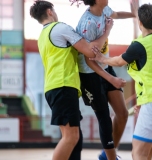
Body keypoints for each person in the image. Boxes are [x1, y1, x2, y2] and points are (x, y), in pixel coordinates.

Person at [90, 4, 152, 160]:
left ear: (140, 22)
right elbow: (146, 30)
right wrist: (139, 12)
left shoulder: (139, 46)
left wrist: (102, 58)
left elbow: (120, 61)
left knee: (139, 153)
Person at [29, 1, 121, 160]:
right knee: (71, 138)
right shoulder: (60, 28)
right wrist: (107, 31)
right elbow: (90, 50)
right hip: (63, 86)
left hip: (55, 88)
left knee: (75, 139)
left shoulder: (42, 36)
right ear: (50, 12)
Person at [72, 0, 138, 159]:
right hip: (89, 74)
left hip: (105, 66)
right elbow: (89, 59)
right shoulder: (88, 24)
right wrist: (111, 79)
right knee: (105, 118)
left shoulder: (104, 9)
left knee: (122, 114)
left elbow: (116, 14)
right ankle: (111, 157)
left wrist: (134, 14)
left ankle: (108, 154)